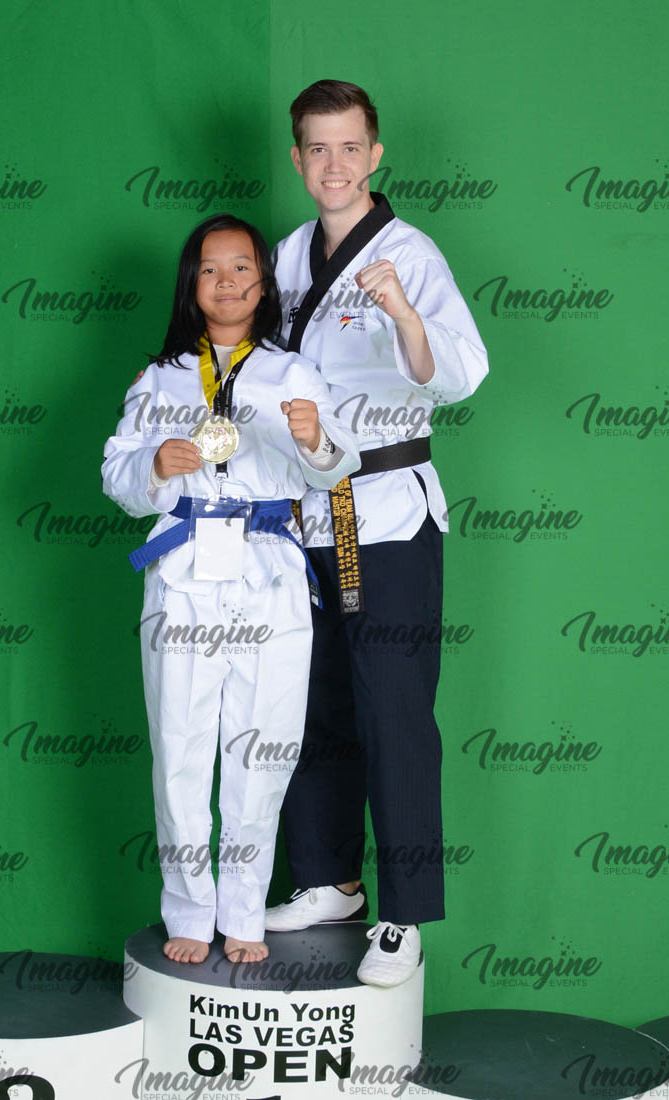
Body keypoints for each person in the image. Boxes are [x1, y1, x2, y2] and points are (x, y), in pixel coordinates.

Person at [265, 81, 489, 986]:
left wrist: (401, 312)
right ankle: (328, 879)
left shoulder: (410, 254)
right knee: (312, 701)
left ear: (376, 155)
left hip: (387, 512)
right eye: (317, 149)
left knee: (393, 710)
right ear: (297, 159)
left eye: (350, 148)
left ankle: (403, 916)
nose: (334, 166)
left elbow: (463, 373)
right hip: (307, 513)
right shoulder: (286, 257)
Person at [102, 214, 360, 965]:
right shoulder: (160, 379)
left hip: (269, 567)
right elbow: (117, 476)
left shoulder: (293, 374)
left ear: (263, 282)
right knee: (179, 744)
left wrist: (315, 439)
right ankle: (188, 909)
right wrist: (156, 463)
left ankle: (244, 909)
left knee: (264, 745)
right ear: (192, 284)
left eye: (241, 267)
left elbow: (335, 470)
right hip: (185, 571)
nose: (226, 282)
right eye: (210, 269)